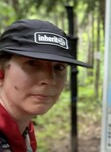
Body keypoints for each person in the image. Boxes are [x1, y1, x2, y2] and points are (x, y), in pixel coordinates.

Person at [0, 19, 88, 152]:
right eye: (32, 63)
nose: (50, 80)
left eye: (59, 67)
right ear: (1, 72)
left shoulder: (24, 130)